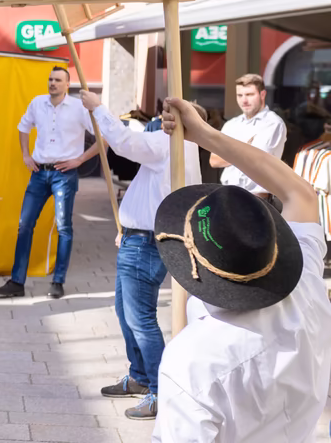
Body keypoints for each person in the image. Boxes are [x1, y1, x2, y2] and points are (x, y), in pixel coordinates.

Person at [152, 97, 331, 442]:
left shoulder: (191, 364)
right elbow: (301, 194)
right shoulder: (307, 286)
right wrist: (206, 134)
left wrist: (205, 135)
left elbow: (300, 194)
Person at [78, 91, 204, 420]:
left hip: (145, 242)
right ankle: (140, 376)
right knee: (125, 311)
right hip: (139, 237)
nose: (162, 119)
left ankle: (160, 390)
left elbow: (123, 142)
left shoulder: (172, 144)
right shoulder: (182, 148)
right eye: (164, 112)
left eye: (169, 114)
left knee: (140, 318)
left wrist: (98, 108)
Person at [0, 67, 99, 300]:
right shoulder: (37, 103)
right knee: (24, 224)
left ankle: (58, 281)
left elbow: (103, 137)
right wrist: (25, 155)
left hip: (64, 174)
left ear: (67, 84)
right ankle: (17, 282)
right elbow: (23, 127)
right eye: (51, 79)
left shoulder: (78, 108)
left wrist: (80, 159)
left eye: (58, 80)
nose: (52, 83)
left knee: (63, 227)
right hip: (39, 173)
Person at [213, 73, 287, 209]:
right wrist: (245, 147)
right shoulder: (231, 124)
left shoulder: (272, 123)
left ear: (262, 94)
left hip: (258, 199)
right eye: (240, 95)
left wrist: (229, 151)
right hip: (228, 196)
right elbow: (214, 160)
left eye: (249, 94)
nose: (244, 100)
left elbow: (255, 159)